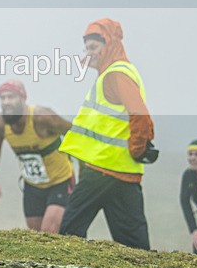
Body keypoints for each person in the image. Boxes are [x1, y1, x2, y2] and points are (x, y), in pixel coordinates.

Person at [58, 18, 155, 250]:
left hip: (101, 169)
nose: (88, 53)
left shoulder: (115, 75)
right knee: (134, 243)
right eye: (86, 49)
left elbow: (141, 116)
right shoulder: (117, 72)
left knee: (69, 232)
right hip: (122, 171)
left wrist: (137, 148)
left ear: (110, 44)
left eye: (94, 47)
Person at [0, 80, 74, 233]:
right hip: (32, 185)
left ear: (23, 98)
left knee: (48, 232)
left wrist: (83, 166)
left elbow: (74, 133)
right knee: (35, 235)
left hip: (59, 181)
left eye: (11, 97)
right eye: (2, 98)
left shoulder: (42, 117)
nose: (6, 102)